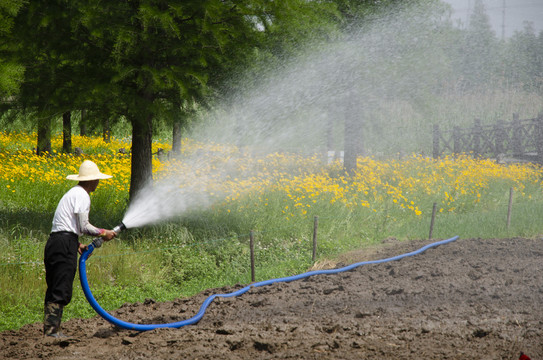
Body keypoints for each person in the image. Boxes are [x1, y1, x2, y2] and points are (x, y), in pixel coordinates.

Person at [43, 160, 117, 337]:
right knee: (60, 287)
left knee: (55, 286)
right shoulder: (83, 195)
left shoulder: (72, 193)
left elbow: (64, 225)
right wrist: (103, 232)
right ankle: (52, 332)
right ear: (91, 181)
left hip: (57, 242)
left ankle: (49, 330)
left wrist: (77, 244)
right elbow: (84, 226)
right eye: (97, 179)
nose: (98, 182)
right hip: (63, 244)